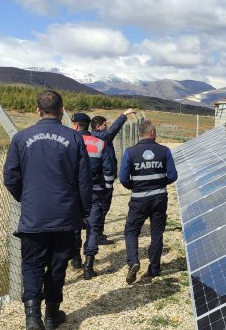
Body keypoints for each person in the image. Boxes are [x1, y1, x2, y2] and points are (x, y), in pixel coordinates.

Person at [3, 90, 92, 330]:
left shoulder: (21, 138)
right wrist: (83, 212)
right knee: (57, 265)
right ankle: (52, 315)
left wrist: (28, 199)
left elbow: (11, 178)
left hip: (34, 216)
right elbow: (84, 181)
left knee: (32, 264)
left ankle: (33, 319)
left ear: (37, 111)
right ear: (62, 110)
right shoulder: (74, 139)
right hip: (64, 215)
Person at [118, 120, 178, 284]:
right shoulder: (164, 151)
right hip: (159, 198)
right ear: (152, 132)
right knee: (156, 233)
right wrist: (160, 183)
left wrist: (134, 186)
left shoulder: (130, 152)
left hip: (138, 200)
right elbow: (173, 176)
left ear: (140, 133)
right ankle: (154, 268)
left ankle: (133, 262)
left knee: (131, 231)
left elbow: (123, 178)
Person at [69, 112, 108, 280]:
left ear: (76, 126)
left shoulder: (68, 142)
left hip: (74, 191)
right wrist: (107, 187)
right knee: (92, 227)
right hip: (96, 189)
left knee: (74, 226)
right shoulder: (99, 143)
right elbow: (108, 168)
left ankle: (75, 258)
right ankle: (88, 265)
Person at [89, 108, 137, 245]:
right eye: (105, 125)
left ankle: (95, 232)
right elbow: (113, 130)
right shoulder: (101, 137)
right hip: (103, 181)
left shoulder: (89, 137)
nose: (107, 127)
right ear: (98, 126)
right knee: (102, 207)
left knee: (96, 207)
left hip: (92, 180)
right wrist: (124, 115)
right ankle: (97, 234)